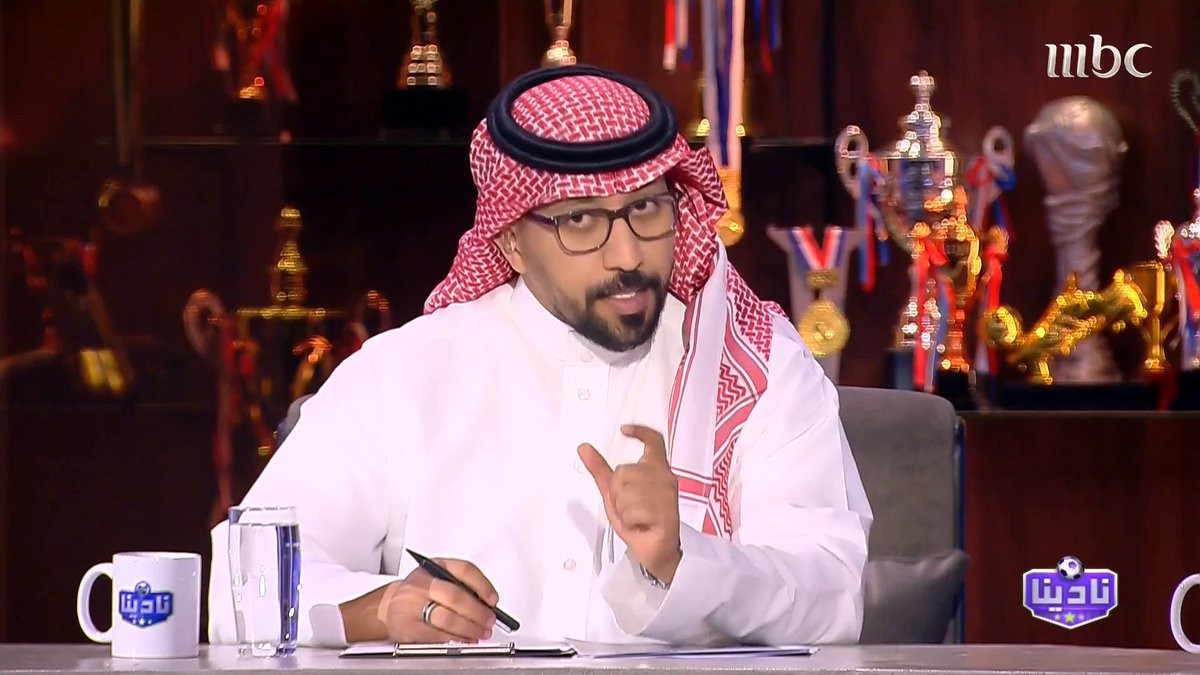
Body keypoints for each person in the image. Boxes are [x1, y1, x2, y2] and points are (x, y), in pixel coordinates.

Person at [207, 64, 872, 649]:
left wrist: (683, 562)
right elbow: (244, 580)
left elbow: (833, 595)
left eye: (646, 208)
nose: (628, 255)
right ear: (512, 243)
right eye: (581, 219)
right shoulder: (404, 374)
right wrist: (379, 609)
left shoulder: (758, 369)